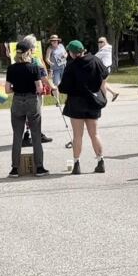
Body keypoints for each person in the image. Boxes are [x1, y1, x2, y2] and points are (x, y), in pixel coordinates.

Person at [58, 40, 108, 175]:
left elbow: (63, 87)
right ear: (83, 50)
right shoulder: (95, 60)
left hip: (76, 103)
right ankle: (100, 161)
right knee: (95, 134)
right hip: (93, 101)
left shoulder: (71, 66)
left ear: (72, 53)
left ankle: (76, 164)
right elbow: (104, 75)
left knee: (77, 136)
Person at [5, 42, 49, 178]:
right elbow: (39, 88)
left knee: (17, 136)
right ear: (28, 52)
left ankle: (15, 168)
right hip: (31, 100)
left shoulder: (11, 68)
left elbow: (7, 89)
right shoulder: (34, 68)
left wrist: (16, 89)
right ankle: (40, 167)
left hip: (17, 100)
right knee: (36, 135)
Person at [22, 35, 54, 146]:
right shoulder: (35, 61)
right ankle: (33, 135)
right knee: (36, 114)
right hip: (35, 91)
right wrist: (52, 87)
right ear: (31, 47)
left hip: (22, 93)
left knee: (27, 115)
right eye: (35, 46)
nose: (36, 48)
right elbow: (43, 77)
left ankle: (29, 134)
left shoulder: (18, 61)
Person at [94, 37, 119, 102]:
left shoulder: (104, 50)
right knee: (103, 83)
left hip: (105, 69)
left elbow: (95, 57)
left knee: (102, 84)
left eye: (101, 42)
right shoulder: (106, 48)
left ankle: (104, 99)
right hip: (106, 69)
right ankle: (114, 93)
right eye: (98, 42)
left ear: (105, 42)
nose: (99, 43)